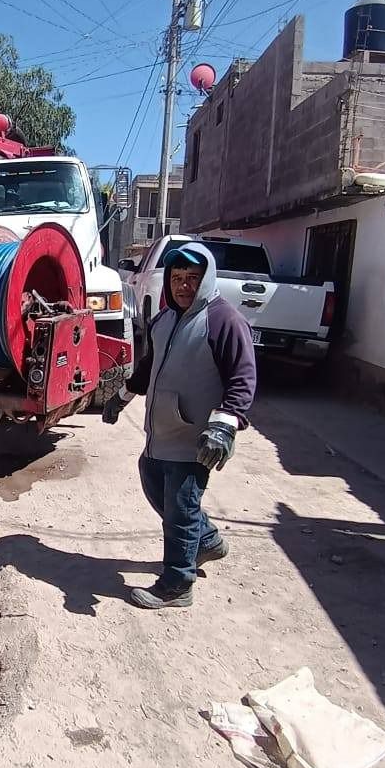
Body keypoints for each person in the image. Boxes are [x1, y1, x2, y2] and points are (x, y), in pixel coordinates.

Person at [103, 241, 256, 609]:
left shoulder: (223, 321)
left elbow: (243, 377)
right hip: (160, 436)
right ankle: (206, 541)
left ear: (206, 279)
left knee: (181, 509)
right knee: (154, 481)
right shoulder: (163, 321)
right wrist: (121, 396)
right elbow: (147, 369)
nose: (182, 286)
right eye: (176, 278)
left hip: (195, 440)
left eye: (191, 278)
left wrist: (225, 425)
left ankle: (177, 583)